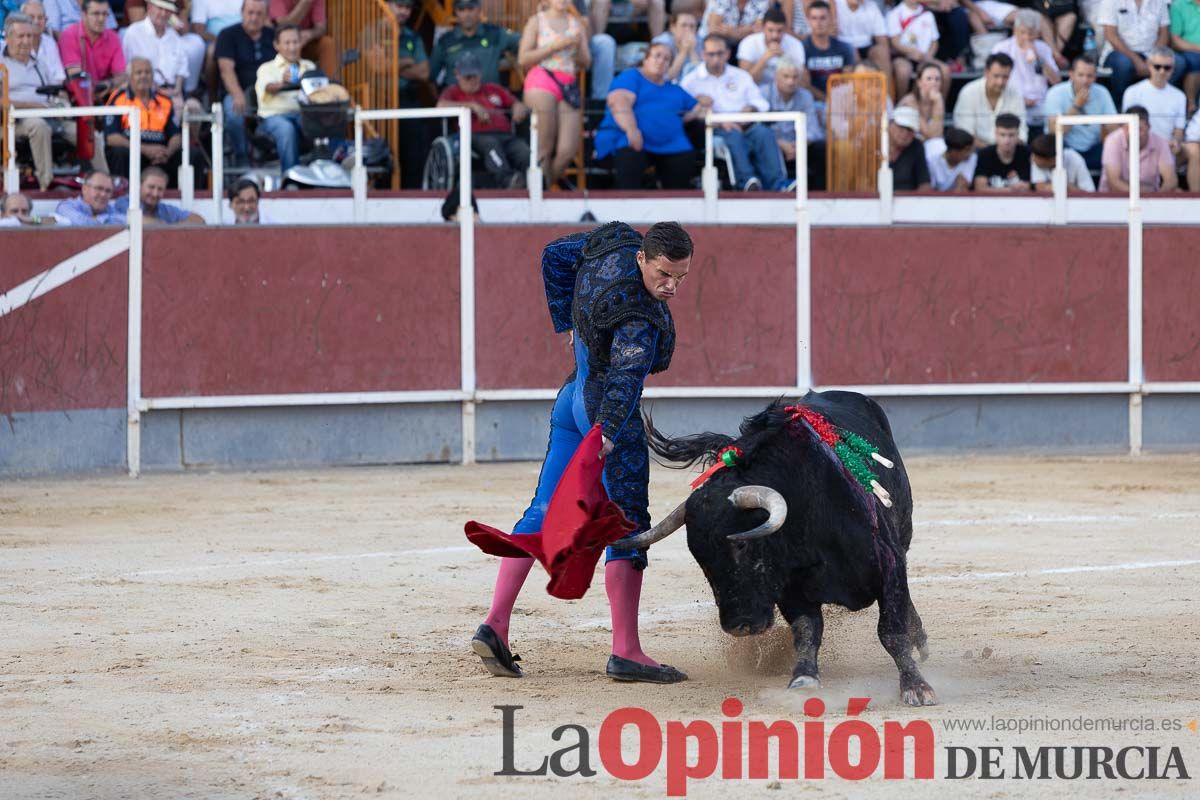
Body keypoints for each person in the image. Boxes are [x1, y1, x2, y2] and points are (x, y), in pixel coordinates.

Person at [470, 221, 693, 685]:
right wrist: (609, 431)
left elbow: (553, 256)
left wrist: (567, 322)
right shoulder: (640, 314)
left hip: (572, 397)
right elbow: (626, 378)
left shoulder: (610, 242)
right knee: (627, 520)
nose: (670, 287)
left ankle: (495, 623)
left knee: (544, 508)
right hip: (603, 413)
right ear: (643, 260)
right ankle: (627, 651)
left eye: (681, 277)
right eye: (664, 274)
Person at [683, 33, 790, 191]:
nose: (716, 58)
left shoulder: (741, 76)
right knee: (733, 135)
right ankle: (746, 182)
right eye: (711, 54)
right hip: (714, 129)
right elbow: (685, 113)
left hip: (746, 125)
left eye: (720, 53)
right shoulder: (691, 81)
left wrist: (751, 108)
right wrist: (712, 116)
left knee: (764, 134)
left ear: (728, 53)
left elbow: (761, 103)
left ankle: (779, 183)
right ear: (703, 54)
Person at [595, 42, 704, 189]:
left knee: (685, 160)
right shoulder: (631, 77)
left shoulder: (674, 89)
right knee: (630, 157)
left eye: (666, 59)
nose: (661, 61)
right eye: (657, 56)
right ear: (645, 59)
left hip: (671, 145)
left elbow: (697, 109)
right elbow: (619, 103)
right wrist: (632, 129)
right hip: (634, 140)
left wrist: (703, 104)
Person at [518, 0, 591, 188]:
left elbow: (586, 62)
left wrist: (578, 47)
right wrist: (554, 47)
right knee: (544, 146)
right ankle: (542, 193)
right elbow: (523, 58)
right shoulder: (537, 21)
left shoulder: (577, 23)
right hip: (542, 77)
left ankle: (544, 187)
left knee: (568, 150)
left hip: (568, 81)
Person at [437, 52, 530, 189]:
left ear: (480, 74)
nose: (472, 80)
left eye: (475, 75)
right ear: (457, 75)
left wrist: (518, 108)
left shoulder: (493, 89)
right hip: (475, 136)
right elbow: (440, 106)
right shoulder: (453, 91)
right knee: (491, 144)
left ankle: (538, 184)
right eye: (467, 77)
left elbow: (517, 104)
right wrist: (471, 106)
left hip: (505, 135)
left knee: (523, 151)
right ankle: (507, 180)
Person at [104, 57, 202, 184]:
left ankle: (189, 200)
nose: (143, 76)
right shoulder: (118, 98)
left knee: (192, 154)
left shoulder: (164, 100)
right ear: (129, 77)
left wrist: (167, 152)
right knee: (119, 153)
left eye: (147, 72)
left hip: (161, 155)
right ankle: (123, 197)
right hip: (133, 153)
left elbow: (176, 136)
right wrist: (144, 149)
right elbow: (112, 137)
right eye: (139, 73)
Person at [215, 0, 275, 166]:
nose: (254, 18)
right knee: (234, 115)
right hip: (238, 91)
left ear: (266, 16)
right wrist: (237, 94)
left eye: (259, 14)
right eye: (250, 13)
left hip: (270, 94)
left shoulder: (273, 36)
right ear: (242, 13)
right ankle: (242, 156)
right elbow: (226, 69)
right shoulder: (227, 34)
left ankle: (268, 153)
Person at [253, 23, 313, 173]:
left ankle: (327, 171)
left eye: (295, 42)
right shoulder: (267, 68)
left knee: (322, 123)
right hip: (272, 118)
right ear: (276, 45)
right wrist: (283, 84)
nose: (292, 47)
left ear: (301, 42)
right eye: (287, 43)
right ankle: (291, 177)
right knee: (286, 128)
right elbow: (268, 87)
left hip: (303, 115)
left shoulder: (310, 66)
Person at [991, 9, 1061, 133]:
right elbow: (993, 81)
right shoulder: (1001, 49)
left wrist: (1039, 59)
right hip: (1011, 102)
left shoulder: (1043, 48)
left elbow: (1056, 81)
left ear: (1038, 33)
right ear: (1015, 31)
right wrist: (1020, 99)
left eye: (1031, 34)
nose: (1027, 37)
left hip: (1040, 104)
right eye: (1023, 33)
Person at [1096, 0, 1178, 106]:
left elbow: (1164, 33)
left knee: (1178, 63)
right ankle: (1119, 108)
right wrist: (1137, 61)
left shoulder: (1159, 2)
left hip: (1150, 53)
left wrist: (1153, 59)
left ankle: (1163, 105)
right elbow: (1110, 34)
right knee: (1124, 64)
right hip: (1118, 52)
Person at [1044, 54, 1118, 170]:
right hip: (1065, 149)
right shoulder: (1055, 93)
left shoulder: (1102, 93)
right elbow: (1055, 132)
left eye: (1089, 76)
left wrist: (1107, 128)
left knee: (1115, 147)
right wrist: (1076, 106)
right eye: (1080, 75)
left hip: (1094, 148)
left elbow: (1114, 128)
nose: (1085, 81)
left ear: (1095, 77)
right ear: (1071, 75)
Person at [429, 0, 521, 88]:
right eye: (461, 10)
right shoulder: (446, 41)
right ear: (455, 12)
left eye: (470, 8)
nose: (467, 14)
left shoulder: (495, 34)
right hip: (456, 101)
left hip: (489, 99)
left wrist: (511, 62)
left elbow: (523, 43)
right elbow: (430, 76)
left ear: (479, 9)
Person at [765, 57, 824, 188]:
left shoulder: (806, 96)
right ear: (776, 76)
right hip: (773, 145)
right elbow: (757, 129)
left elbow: (813, 130)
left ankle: (819, 194)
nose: (790, 81)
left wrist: (799, 144)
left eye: (795, 77)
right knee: (763, 144)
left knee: (822, 148)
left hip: (798, 145)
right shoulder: (763, 94)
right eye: (786, 76)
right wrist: (780, 144)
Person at [953, 52, 1028, 147]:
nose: (1000, 82)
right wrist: (990, 152)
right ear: (986, 73)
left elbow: (1021, 132)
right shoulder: (968, 92)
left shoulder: (1015, 93)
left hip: (1009, 151)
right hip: (974, 151)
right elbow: (965, 134)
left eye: (1005, 77)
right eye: (996, 76)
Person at [122, 0, 190, 102]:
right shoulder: (134, 33)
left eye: (167, 10)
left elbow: (181, 70)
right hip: (144, 92)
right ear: (149, 7)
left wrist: (176, 90)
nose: (163, 14)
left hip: (173, 92)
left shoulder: (174, 37)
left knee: (193, 107)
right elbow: (130, 71)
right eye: (160, 8)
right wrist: (158, 91)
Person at [1099, 104, 1177, 191]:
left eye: (1139, 129)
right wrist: (1142, 199)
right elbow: (1114, 182)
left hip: (1151, 199)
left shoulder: (1160, 142)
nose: (1135, 133)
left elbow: (1171, 180)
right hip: (1113, 199)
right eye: (1130, 128)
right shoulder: (1112, 141)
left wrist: (1156, 198)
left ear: (1149, 127)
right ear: (1123, 128)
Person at [1122, 47, 1186, 149]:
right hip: (1139, 148)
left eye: (1167, 67)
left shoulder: (1180, 96)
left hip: (1167, 150)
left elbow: (1179, 129)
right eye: (1157, 66)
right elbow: (1127, 127)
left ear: (1173, 69)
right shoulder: (1132, 92)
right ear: (1149, 65)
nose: (1162, 71)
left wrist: (1175, 141)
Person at [736, 4, 806, 93]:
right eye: (770, 30)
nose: (775, 35)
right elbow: (745, 83)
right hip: (756, 93)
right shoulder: (748, 43)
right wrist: (764, 59)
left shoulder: (795, 44)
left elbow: (804, 82)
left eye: (779, 31)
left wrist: (785, 58)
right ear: (763, 28)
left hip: (787, 94)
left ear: (785, 29)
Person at [799, 1, 858, 103]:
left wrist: (834, 102)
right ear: (808, 20)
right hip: (813, 103)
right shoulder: (801, 49)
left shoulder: (844, 48)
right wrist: (827, 100)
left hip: (841, 101)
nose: (818, 23)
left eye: (823, 18)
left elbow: (847, 81)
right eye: (814, 18)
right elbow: (805, 85)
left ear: (830, 19)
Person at [59, 0, 125, 89]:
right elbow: (76, 77)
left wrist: (108, 84)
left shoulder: (113, 38)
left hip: (106, 93)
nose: (101, 19)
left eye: (105, 14)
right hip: (77, 96)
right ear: (84, 15)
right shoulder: (70, 35)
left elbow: (121, 76)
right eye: (96, 14)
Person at [887, 0, 941, 100]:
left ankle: (937, 104)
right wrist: (910, 52)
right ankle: (901, 104)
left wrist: (929, 56)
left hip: (925, 57)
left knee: (944, 71)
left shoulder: (928, 14)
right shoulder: (895, 13)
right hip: (903, 57)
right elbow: (894, 42)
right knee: (903, 71)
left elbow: (935, 41)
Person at [112, 166, 206, 223]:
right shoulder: (123, 203)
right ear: (139, 186)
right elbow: (139, 222)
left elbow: (199, 220)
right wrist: (171, 227)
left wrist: (170, 228)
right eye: (151, 187)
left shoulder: (165, 209)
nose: (155, 193)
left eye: (160, 189)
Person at [268, 0, 335, 77]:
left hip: (307, 42)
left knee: (327, 43)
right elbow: (284, 26)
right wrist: (305, 3)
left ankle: (331, 83)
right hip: (282, 44)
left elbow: (321, 28)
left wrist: (309, 34)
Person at [973, 112, 1032, 191]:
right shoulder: (984, 154)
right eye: (1002, 135)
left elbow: (1028, 187)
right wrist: (1010, 190)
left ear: (1018, 134)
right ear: (996, 134)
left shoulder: (1026, 153)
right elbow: (980, 188)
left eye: (1011, 135)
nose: (1007, 141)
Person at [834, 0, 891, 81]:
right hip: (843, 48)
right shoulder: (835, 5)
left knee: (882, 51)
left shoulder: (871, 6)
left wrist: (884, 52)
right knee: (852, 51)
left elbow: (882, 38)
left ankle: (885, 92)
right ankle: (860, 91)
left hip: (866, 47)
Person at [1029, 132, 1095, 191]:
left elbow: (1090, 192)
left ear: (1052, 159)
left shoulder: (1075, 159)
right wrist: (1064, 188)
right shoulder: (1036, 162)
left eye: (1036, 157)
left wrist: (1067, 188)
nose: (1032, 159)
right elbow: (1041, 188)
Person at [55, 170, 125, 225]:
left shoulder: (110, 209)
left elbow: (127, 221)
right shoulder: (67, 206)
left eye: (108, 191)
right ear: (84, 189)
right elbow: (83, 224)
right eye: (99, 188)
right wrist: (105, 220)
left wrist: (97, 219)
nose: (103, 194)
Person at [898, 61, 945, 140]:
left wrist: (938, 103)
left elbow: (938, 133)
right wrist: (938, 104)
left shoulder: (937, 99)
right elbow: (928, 134)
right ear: (919, 82)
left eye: (937, 79)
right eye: (929, 79)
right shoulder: (910, 102)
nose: (934, 82)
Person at [887, 106, 931, 190]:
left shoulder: (916, 146)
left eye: (910, 130)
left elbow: (924, 184)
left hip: (908, 200)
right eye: (901, 127)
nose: (905, 133)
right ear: (890, 124)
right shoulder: (874, 144)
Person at [651, 10, 701, 82]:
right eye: (684, 25)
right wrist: (683, 52)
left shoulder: (701, 41)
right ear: (673, 27)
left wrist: (692, 51)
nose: (688, 29)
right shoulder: (662, 42)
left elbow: (700, 76)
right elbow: (665, 77)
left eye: (692, 26)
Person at [925, 126, 977, 190]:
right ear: (954, 152)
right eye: (967, 150)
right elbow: (929, 191)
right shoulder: (932, 162)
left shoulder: (973, 159)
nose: (970, 153)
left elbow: (965, 188)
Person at [1172, 0, 1200, 117]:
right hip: (1188, 51)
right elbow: (1175, 40)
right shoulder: (1178, 5)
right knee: (1195, 60)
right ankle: (1191, 105)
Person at [701, 0, 771, 44]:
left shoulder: (762, 1)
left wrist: (731, 32)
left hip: (745, 42)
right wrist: (748, 30)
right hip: (712, 40)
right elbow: (714, 29)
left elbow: (759, 29)